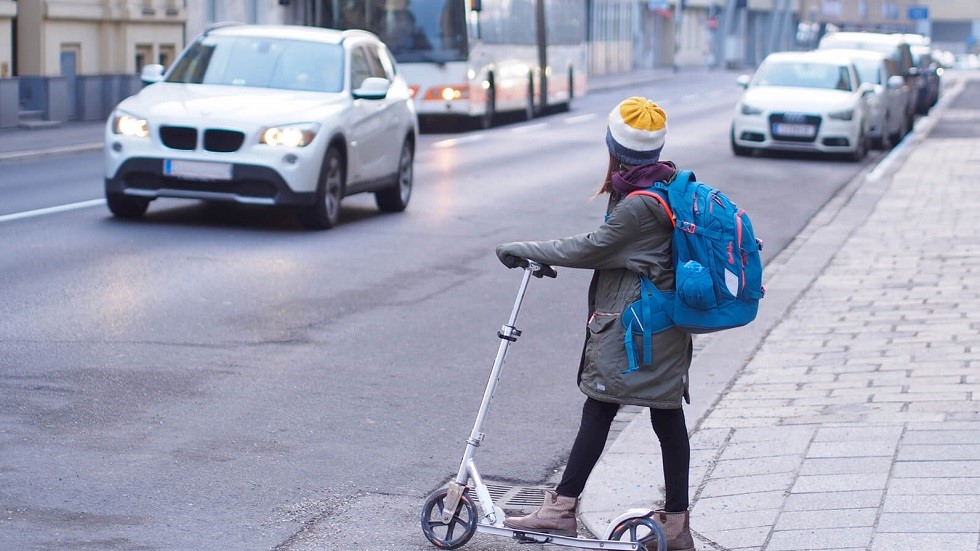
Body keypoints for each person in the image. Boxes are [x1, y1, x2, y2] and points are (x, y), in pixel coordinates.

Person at [495, 97, 696, 551]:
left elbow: (589, 248)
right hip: (661, 324)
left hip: (639, 327)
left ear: (614, 147)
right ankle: (678, 524)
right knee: (664, 415)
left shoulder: (637, 206)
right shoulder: (661, 185)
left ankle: (561, 511)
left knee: (601, 405)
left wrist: (523, 248)